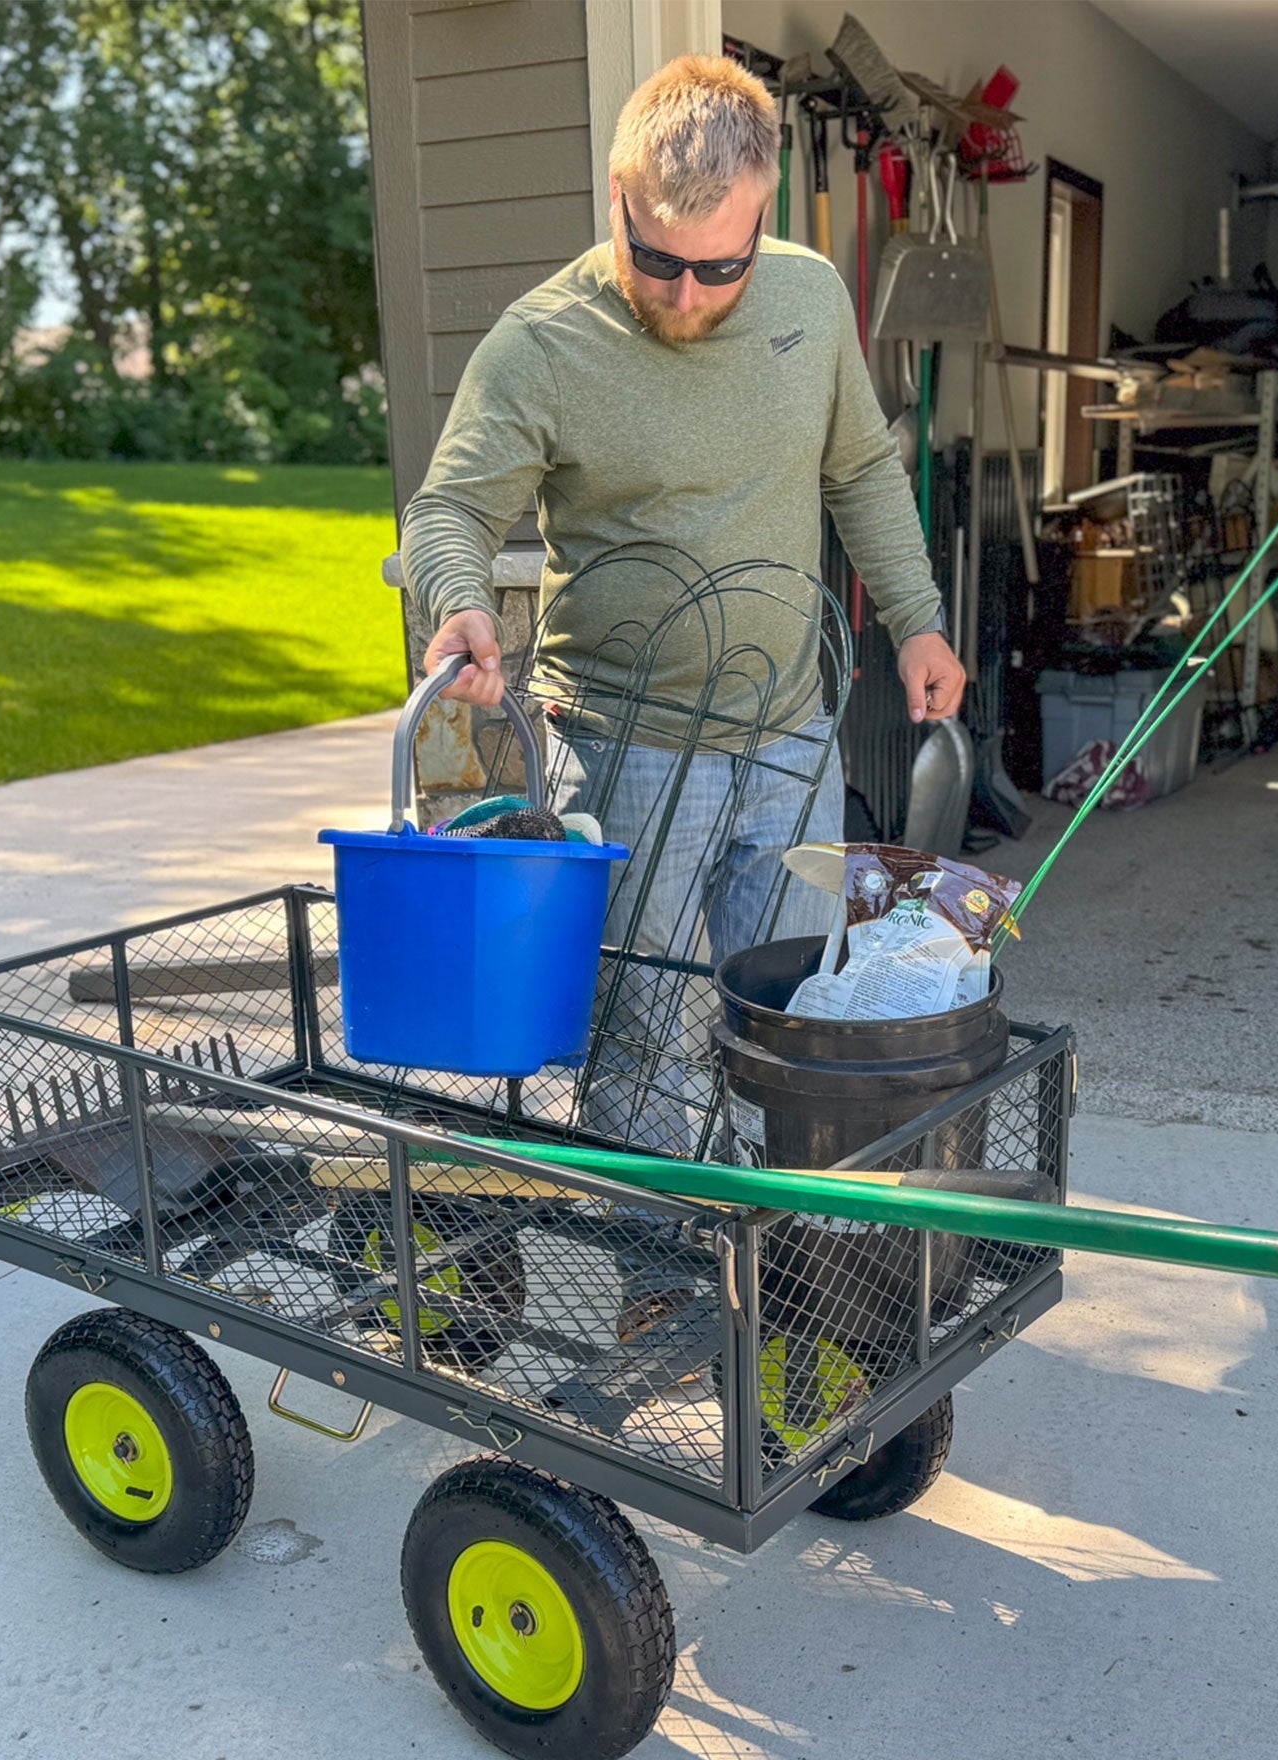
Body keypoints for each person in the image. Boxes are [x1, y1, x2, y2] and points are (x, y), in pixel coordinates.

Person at [400, 53, 966, 1331]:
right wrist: (460, 598)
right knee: (646, 1024)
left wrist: (919, 621)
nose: (691, 294)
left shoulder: (809, 298)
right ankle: (660, 1288)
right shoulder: (542, 341)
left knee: (792, 1006)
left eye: (722, 266)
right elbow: (449, 508)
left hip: (791, 732)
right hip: (623, 739)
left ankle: (790, 1264)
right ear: (616, 199)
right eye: (660, 260)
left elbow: (859, 471)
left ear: (763, 216)